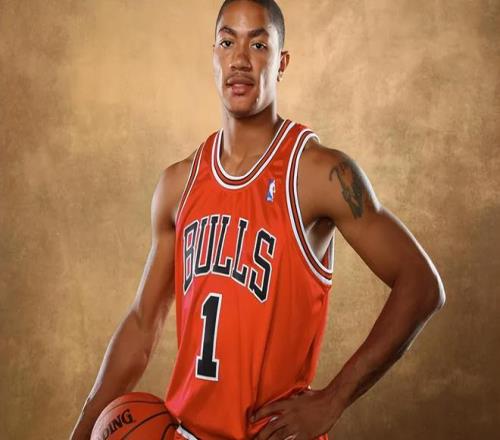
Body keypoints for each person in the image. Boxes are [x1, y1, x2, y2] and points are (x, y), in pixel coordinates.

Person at [70, 0, 446, 439]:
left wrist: (334, 398)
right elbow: (141, 324)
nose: (240, 60)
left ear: (281, 63)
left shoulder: (318, 174)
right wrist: (82, 429)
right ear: (213, 55)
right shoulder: (178, 184)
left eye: (259, 45)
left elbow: (422, 285)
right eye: (227, 42)